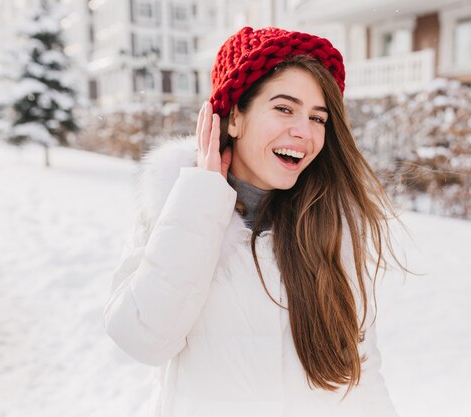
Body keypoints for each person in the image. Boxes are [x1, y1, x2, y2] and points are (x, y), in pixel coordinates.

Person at [104, 26, 403, 417]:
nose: (304, 131)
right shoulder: (174, 212)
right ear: (233, 118)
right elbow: (142, 339)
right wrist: (201, 200)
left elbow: (361, 373)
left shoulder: (332, 227)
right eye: (284, 108)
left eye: (318, 117)